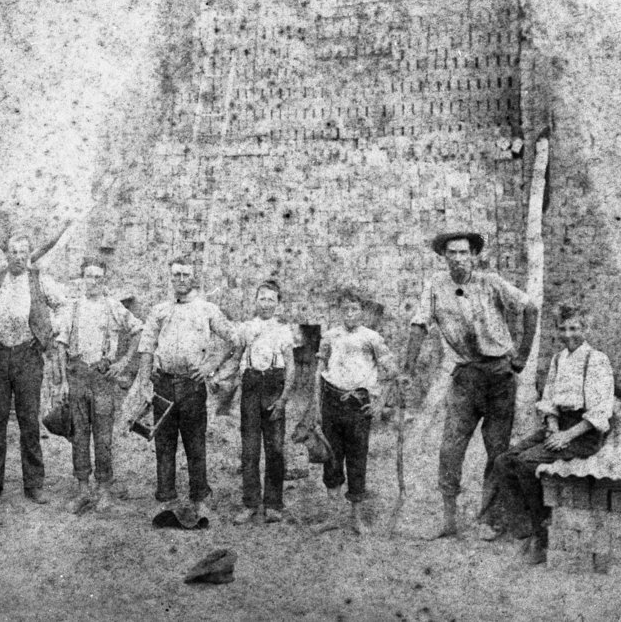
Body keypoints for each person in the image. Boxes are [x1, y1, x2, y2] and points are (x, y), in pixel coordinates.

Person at [402, 230, 539, 538]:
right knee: (450, 447)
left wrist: (522, 357)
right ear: (444, 256)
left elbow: (530, 308)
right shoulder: (435, 287)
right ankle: (448, 518)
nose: (459, 258)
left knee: (497, 450)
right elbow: (418, 325)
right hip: (465, 378)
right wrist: (407, 370)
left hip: (499, 375)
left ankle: (491, 519)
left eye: (464, 253)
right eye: (453, 253)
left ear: (474, 255)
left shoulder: (491, 283)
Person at [489, 303, 615, 563]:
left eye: (575, 328)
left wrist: (566, 436)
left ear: (585, 328)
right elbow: (549, 401)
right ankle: (524, 529)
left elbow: (600, 411)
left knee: (526, 463)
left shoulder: (597, 360)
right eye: (563, 329)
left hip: (585, 433)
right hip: (560, 426)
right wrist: (554, 426)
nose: (569, 334)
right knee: (503, 462)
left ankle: (541, 531)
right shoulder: (558, 359)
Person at [121, 257, 238, 519]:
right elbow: (147, 348)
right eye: (176, 275)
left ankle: (200, 498)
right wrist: (142, 385)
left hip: (192, 386)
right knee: (164, 444)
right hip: (163, 384)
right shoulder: (159, 310)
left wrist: (212, 364)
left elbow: (234, 338)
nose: (181, 279)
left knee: (195, 445)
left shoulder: (206, 309)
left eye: (186, 275)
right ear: (170, 278)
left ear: (194, 278)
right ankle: (166, 498)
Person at [0, 233, 66, 504]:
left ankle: (34, 485)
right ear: (6, 254)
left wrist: (49, 330)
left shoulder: (39, 279)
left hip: (28, 356)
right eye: (13, 252)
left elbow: (64, 305)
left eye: (23, 252)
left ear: (29, 254)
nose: (18, 257)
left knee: (29, 422)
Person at [56, 258, 143, 513]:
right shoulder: (72, 308)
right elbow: (61, 345)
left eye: (98, 277)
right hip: (78, 376)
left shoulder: (113, 307)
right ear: (82, 279)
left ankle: (104, 490)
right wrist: (61, 381)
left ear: (104, 281)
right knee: (79, 435)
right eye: (89, 276)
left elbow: (138, 330)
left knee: (103, 437)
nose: (93, 281)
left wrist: (124, 362)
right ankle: (83, 490)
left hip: (103, 378)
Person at [313, 288, 397, 535]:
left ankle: (356, 518)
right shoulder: (329, 336)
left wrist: (380, 403)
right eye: (345, 309)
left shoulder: (372, 338)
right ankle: (332, 516)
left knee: (357, 459)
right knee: (331, 458)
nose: (350, 314)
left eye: (355, 309)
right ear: (339, 311)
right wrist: (316, 406)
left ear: (362, 311)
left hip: (358, 406)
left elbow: (391, 372)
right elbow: (319, 372)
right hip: (331, 401)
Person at [221, 279, 296, 525]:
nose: (266, 304)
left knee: (275, 448)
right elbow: (234, 354)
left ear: (278, 304)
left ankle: (274, 504)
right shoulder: (246, 327)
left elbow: (291, 368)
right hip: (252, 387)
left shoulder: (283, 330)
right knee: (250, 449)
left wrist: (283, 399)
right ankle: (251, 504)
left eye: (271, 299)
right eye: (262, 298)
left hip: (274, 387)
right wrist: (222, 379)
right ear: (255, 301)